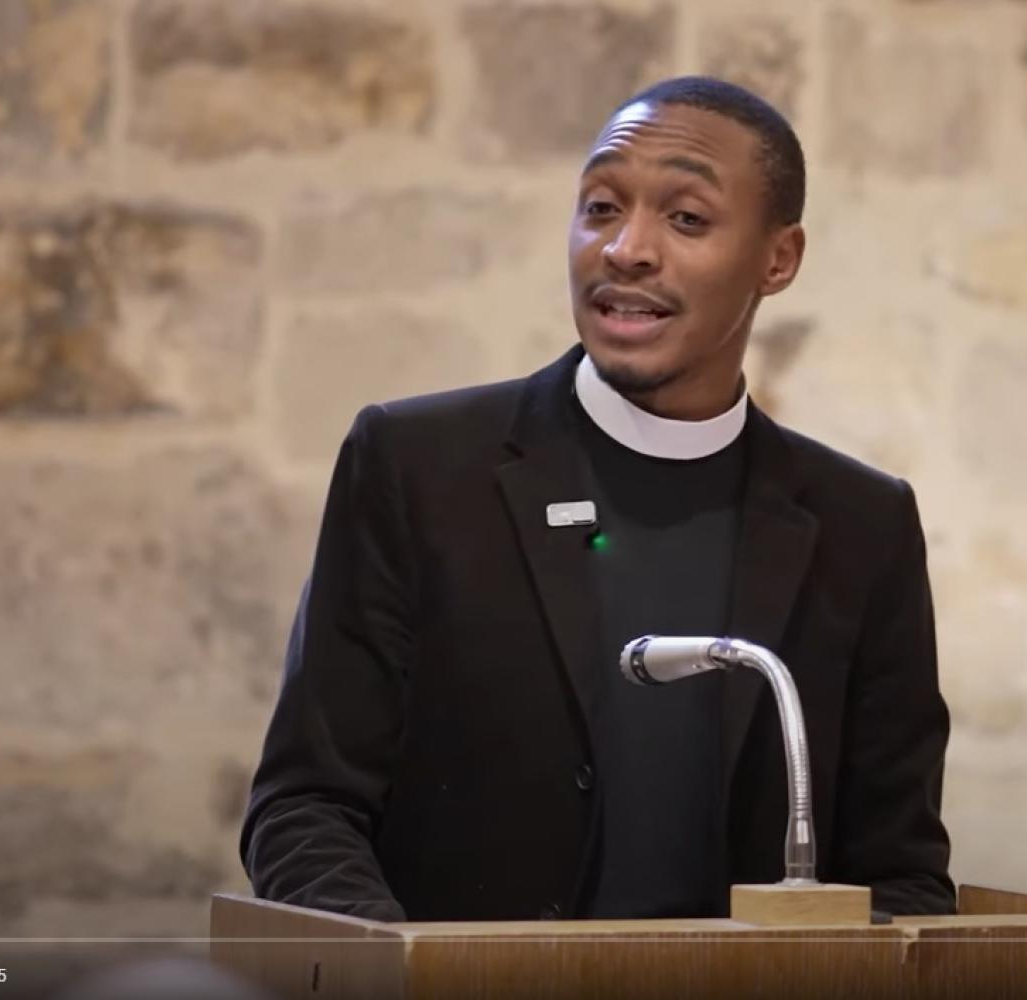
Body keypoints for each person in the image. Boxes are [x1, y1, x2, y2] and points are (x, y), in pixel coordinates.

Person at [240, 76, 953, 922]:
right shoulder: (418, 466)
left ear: (778, 259)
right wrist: (412, 975)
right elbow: (304, 811)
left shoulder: (860, 524)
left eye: (686, 219)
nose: (626, 250)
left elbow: (901, 874)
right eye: (602, 208)